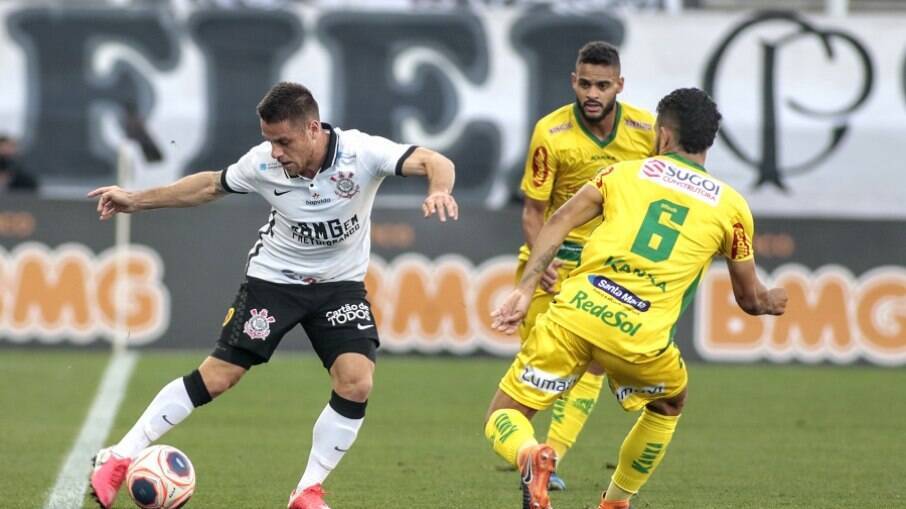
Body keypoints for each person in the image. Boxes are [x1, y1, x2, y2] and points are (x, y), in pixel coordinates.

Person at [87, 81, 458, 509]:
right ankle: (119, 457)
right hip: (275, 280)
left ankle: (307, 491)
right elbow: (208, 186)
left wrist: (439, 190)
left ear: (313, 128)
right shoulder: (261, 164)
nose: (276, 152)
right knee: (219, 376)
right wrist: (135, 199)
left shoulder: (363, 153)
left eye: (284, 141)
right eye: (270, 141)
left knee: (357, 383)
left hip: (339, 286)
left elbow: (435, 160)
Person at [484, 87, 787, 509]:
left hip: (575, 312)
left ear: (663, 135)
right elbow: (750, 300)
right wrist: (774, 300)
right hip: (639, 338)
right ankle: (615, 502)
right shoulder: (732, 207)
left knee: (505, 414)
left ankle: (529, 455)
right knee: (669, 403)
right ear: (709, 142)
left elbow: (558, 221)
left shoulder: (622, 174)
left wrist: (525, 287)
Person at [513, 40, 655, 490]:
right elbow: (534, 211)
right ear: (574, 81)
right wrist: (542, 262)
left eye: (603, 85)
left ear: (619, 85)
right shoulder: (550, 133)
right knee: (540, 364)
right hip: (551, 261)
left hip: (603, 269)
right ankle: (528, 449)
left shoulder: (645, 131)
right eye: (586, 84)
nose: (593, 93)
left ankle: (549, 457)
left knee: (592, 364)